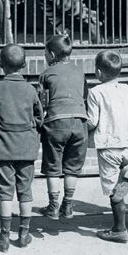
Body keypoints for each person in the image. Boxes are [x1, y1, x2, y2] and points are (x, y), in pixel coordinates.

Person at [0, 44, 43, 252]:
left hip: (4, 147)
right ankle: (24, 234)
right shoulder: (31, 89)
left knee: (5, 192)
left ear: (0, 64)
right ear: (25, 65)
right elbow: (39, 118)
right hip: (26, 147)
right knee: (25, 190)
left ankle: (4, 236)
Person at [86, 51, 128, 243]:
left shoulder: (95, 92)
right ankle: (125, 177)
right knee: (120, 181)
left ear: (98, 72)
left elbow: (92, 121)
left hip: (108, 145)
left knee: (112, 188)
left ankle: (119, 228)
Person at [38, 33, 88, 220]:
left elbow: (42, 102)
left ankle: (53, 206)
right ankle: (68, 204)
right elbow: (84, 96)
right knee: (72, 166)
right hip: (79, 121)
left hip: (56, 122)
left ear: (51, 54)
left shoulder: (46, 73)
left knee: (53, 166)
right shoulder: (79, 71)